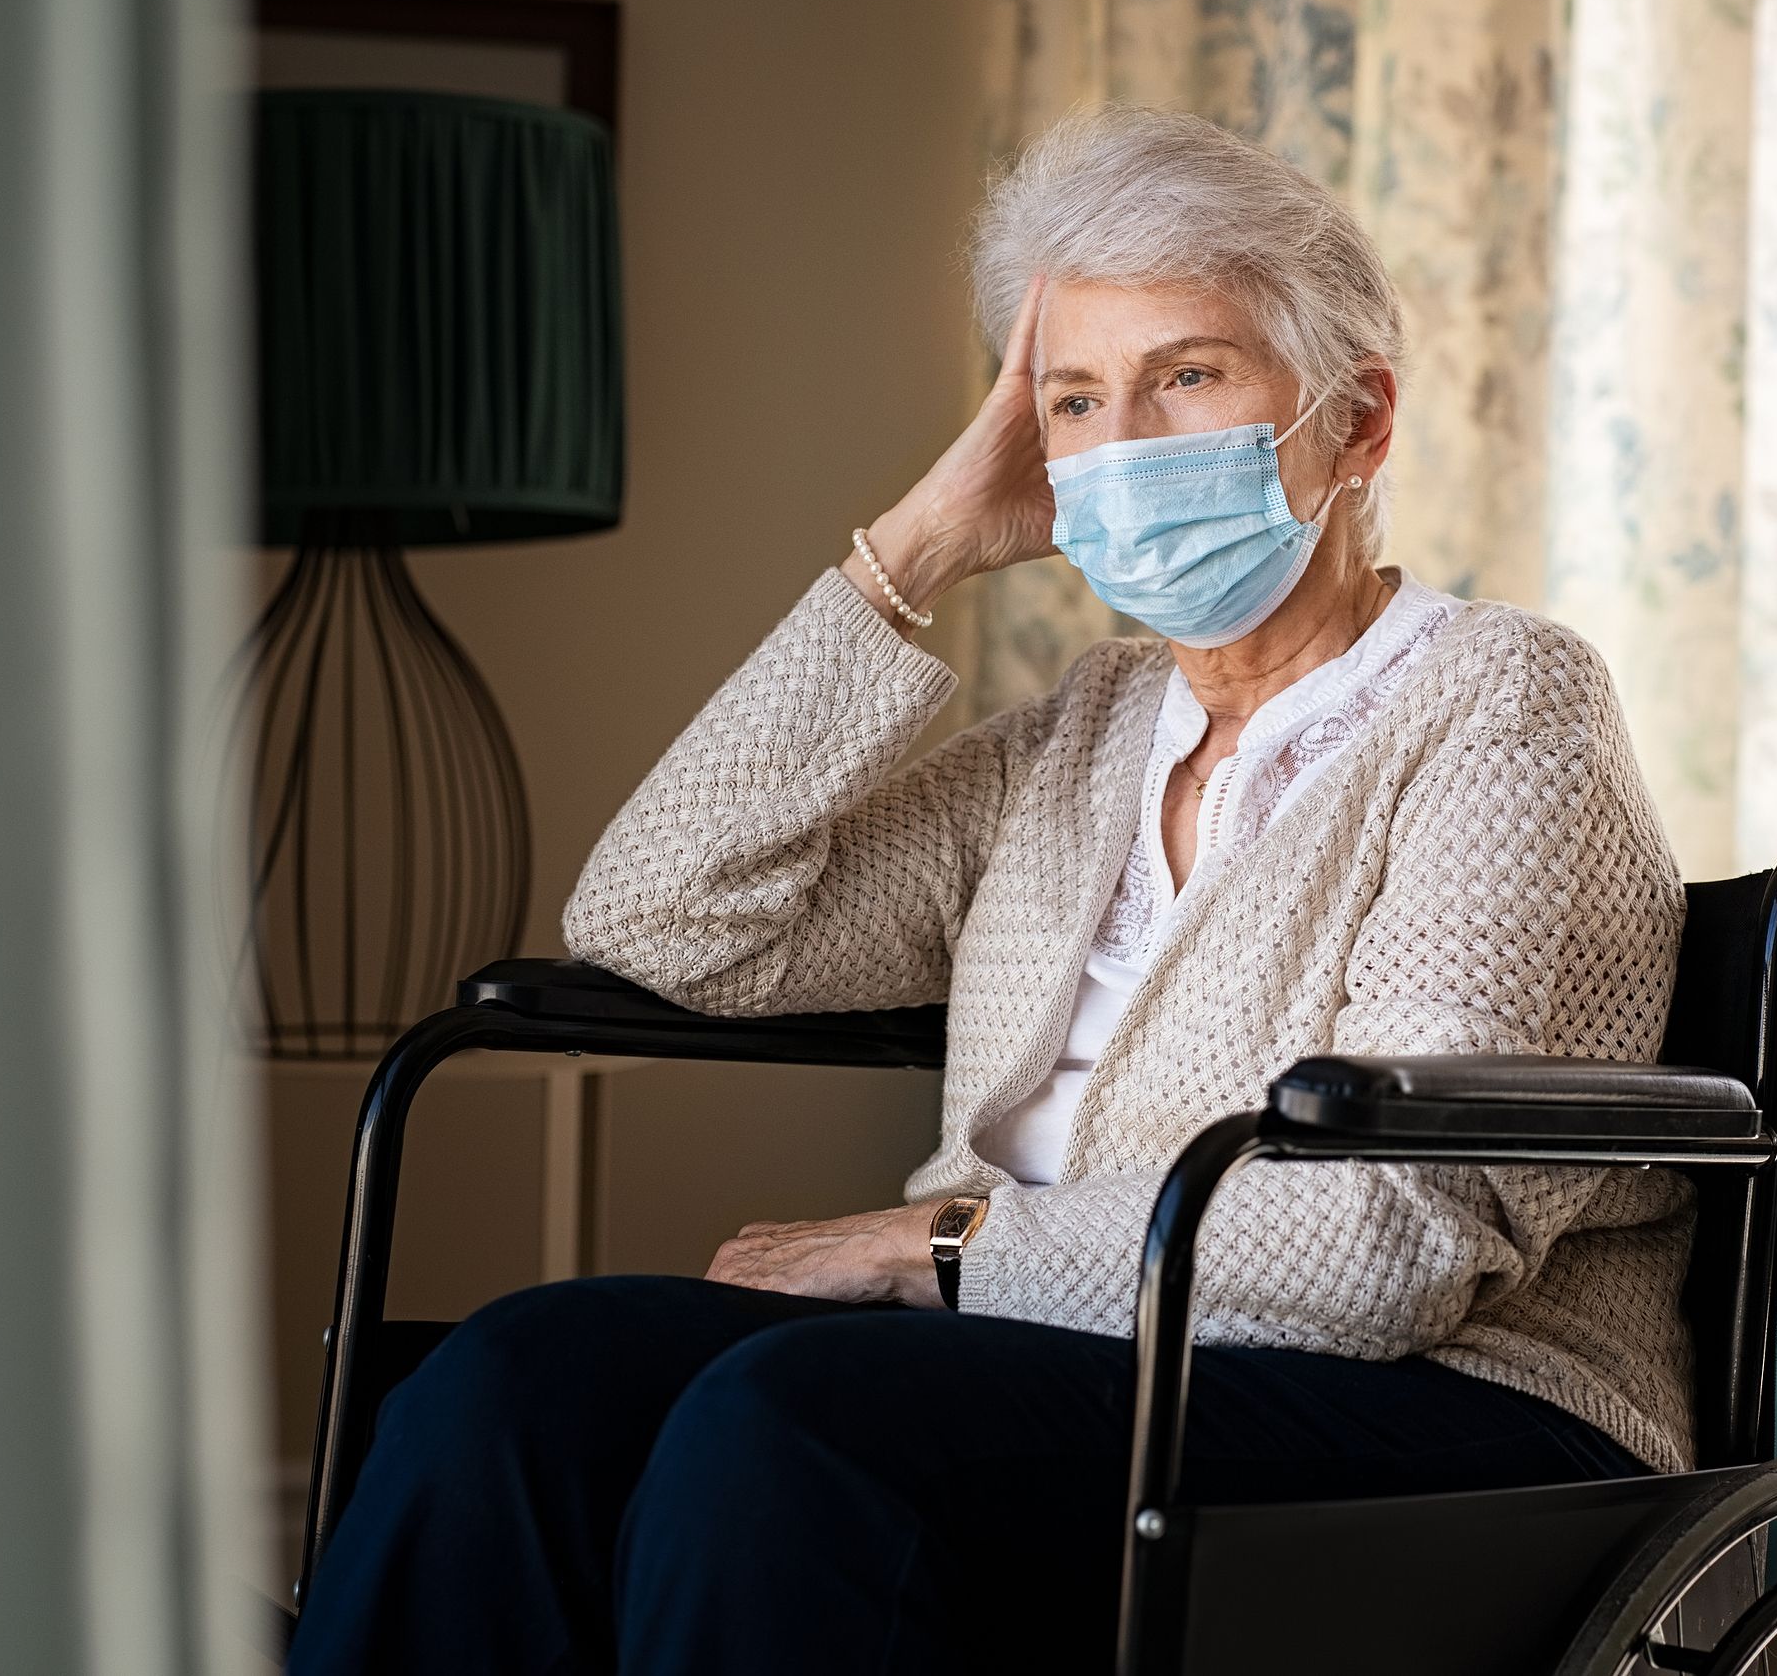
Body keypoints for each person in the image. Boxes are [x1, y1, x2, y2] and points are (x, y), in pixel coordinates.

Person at [288, 106, 1691, 1676]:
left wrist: (932, 1244)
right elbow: (661, 918)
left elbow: (1387, 1248)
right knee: (516, 1381)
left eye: (1190, 376)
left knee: (795, 1424)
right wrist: (916, 549)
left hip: (1450, 1401)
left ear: (1357, 425)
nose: (1130, 440)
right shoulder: (1086, 735)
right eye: (1077, 399)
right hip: (1038, 1357)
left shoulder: (1505, 703)